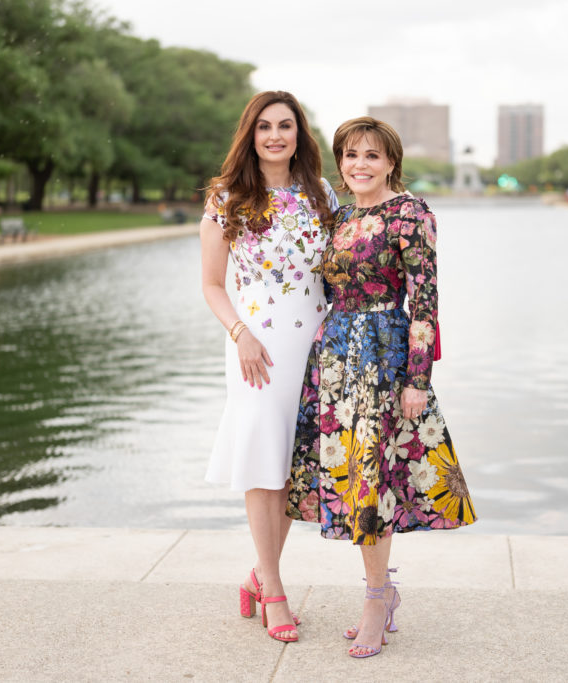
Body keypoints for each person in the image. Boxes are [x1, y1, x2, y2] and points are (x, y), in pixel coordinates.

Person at [287, 117, 477, 658]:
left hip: (384, 358)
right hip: (336, 359)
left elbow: (424, 302)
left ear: (391, 161)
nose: (359, 165)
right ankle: (382, 589)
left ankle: (376, 599)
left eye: (371, 155)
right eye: (349, 155)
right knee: (354, 480)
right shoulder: (342, 215)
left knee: (373, 483)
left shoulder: (410, 214)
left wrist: (418, 380)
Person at [199, 91, 338, 643]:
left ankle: (259, 575)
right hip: (256, 346)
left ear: (299, 134)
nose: (275, 135)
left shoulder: (320, 193)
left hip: (315, 343)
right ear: (250, 135)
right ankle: (274, 591)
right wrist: (241, 334)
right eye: (264, 127)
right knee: (262, 459)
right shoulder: (226, 196)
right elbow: (211, 284)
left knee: (291, 465)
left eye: (285, 126)